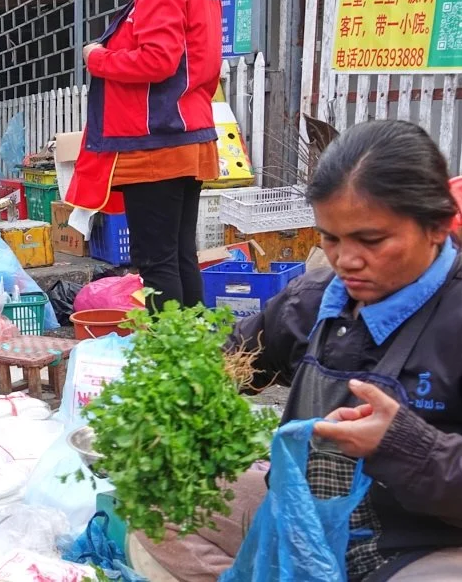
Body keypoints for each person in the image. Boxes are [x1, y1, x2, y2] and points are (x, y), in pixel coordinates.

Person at [138, 120, 462, 581]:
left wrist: (406, 446)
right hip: (302, 512)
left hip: (416, 546)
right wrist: (185, 391)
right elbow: (232, 359)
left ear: (436, 225)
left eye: (371, 240)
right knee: (160, 500)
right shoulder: (310, 301)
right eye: (330, 238)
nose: (346, 261)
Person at [64, 0, 229, 312]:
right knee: (179, 255)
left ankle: (168, 359)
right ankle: (191, 354)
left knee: (157, 262)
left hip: (157, 142)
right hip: (186, 135)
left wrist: (97, 58)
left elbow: (157, 60)